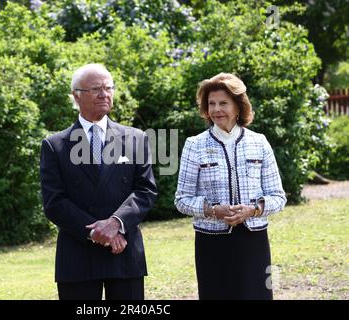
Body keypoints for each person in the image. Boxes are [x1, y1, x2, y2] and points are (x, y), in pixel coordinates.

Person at [39, 63, 157, 300]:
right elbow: (54, 202)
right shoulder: (55, 145)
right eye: (96, 89)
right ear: (76, 96)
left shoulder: (135, 138)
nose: (104, 94)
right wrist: (97, 232)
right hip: (78, 255)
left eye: (108, 88)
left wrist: (116, 223)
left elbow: (146, 190)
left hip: (124, 250)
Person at [175, 73, 287, 300]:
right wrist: (213, 210)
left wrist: (253, 210)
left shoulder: (259, 142)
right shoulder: (194, 145)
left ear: (238, 106)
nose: (216, 109)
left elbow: (278, 196)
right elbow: (181, 199)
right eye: (211, 104)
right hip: (211, 244)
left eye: (223, 103)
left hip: (253, 242)